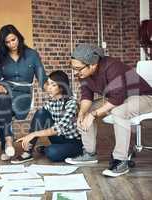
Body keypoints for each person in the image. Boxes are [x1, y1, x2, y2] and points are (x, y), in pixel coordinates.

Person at [65, 43, 152, 177]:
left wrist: (93, 115)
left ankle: (121, 160)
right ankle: (89, 153)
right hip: (119, 97)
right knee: (85, 112)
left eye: (78, 69)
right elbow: (86, 96)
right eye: (73, 68)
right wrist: (82, 113)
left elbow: (117, 98)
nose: (75, 72)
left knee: (119, 112)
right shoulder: (84, 74)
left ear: (93, 64)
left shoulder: (112, 67)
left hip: (143, 96)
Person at [0, 24, 47, 161]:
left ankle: (6, 143)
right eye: (7, 42)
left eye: (13, 40)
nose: (11, 44)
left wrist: (52, 90)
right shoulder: (0, 57)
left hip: (23, 94)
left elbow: (42, 78)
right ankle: (8, 143)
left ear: (19, 38)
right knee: (2, 99)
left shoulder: (32, 55)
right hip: (5, 89)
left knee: (2, 108)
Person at [12, 70, 82, 164]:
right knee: (41, 112)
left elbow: (57, 129)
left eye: (53, 85)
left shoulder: (71, 103)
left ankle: (47, 150)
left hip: (73, 142)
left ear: (61, 87)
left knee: (52, 153)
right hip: (58, 138)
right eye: (48, 84)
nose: (49, 88)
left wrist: (33, 134)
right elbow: (40, 118)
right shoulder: (51, 102)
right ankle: (27, 152)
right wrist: (30, 137)